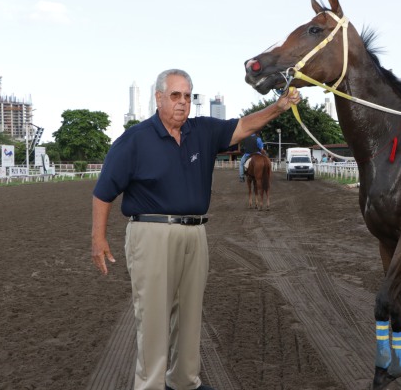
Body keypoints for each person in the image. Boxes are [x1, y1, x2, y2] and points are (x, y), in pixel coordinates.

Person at [90, 69, 301, 390]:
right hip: (151, 234)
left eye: (188, 96)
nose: (182, 103)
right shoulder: (135, 140)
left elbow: (245, 125)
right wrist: (98, 238)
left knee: (189, 314)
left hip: (195, 234)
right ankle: (149, 386)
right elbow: (103, 192)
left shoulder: (202, 130)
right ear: (158, 98)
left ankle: (184, 381)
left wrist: (280, 106)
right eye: (175, 96)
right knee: (154, 318)